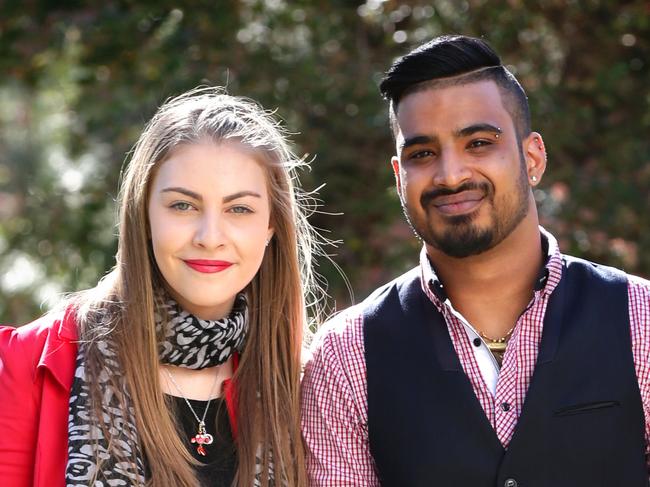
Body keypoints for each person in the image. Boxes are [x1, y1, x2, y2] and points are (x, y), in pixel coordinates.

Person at [301, 35, 650, 487]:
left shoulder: (640, 320)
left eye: (479, 143)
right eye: (422, 154)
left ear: (533, 157)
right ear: (398, 175)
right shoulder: (345, 357)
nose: (450, 174)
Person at [0, 87, 320, 487]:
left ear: (271, 226)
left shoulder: (305, 388)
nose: (210, 236)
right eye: (183, 205)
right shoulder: (26, 364)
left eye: (239, 209)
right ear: (143, 214)